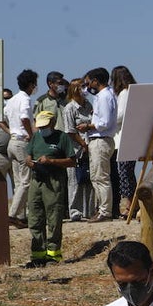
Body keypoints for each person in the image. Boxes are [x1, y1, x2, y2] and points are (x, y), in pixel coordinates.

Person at [24, 110, 76, 265]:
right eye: (40, 127)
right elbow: (27, 156)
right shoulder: (36, 137)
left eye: (45, 126)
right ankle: (38, 256)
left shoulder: (62, 138)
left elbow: (72, 161)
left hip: (54, 181)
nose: (42, 129)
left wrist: (52, 162)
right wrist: (30, 162)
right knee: (35, 217)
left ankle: (53, 255)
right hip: (36, 180)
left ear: (52, 123)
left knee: (54, 218)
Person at [76, 67, 116, 223]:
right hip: (98, 140)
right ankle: (101, 209)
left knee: (101, 177)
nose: (87, 85)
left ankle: (105, 211)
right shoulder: (104, 95)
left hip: (101, 139)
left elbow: (104, 122)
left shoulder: (105, 96)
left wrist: (88, 126)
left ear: (95, 81)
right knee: (96, 177)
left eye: (88, 81)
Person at [5, 69, 37, 228]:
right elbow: (25, 117)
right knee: (25, 182)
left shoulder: (12, 100)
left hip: (12, 141)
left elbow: (4, 117)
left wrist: (12, 130)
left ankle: (19, 215)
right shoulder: (25, 99)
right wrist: (31, 135)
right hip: (22, 143)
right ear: (31, 84)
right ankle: (12, 214)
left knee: (18, 182)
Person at [61, 76, 94, 222]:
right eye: (82, 86)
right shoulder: (70, 108)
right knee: (74, 180)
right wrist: (83, 144)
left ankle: (89, 210)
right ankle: (75, 211)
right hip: (76, 149)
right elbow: (70, 131)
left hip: (90, 147)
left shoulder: (88, 105)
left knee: (89, 179)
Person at [110, 65, 137, 217]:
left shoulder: (125, 93)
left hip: (124, 139)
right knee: (127, 173)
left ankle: (129, 205)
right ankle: (132, 204)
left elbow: (120, 115)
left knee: (125, 174)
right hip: (128, 137)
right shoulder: (130, 92)